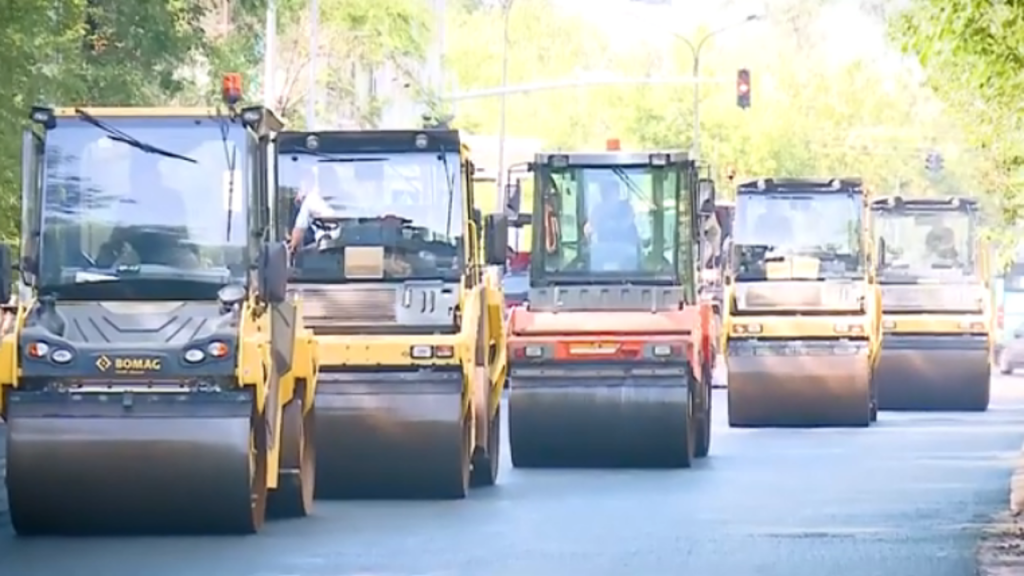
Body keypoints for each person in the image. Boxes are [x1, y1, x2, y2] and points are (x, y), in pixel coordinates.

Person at [96, 152, 199, 269]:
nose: (139, 179)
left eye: (146, 172)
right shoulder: (127, 204)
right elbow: (114, 244)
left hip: (171, 265)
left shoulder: (173, 200)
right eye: (135, 174)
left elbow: (182, 239)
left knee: (189, 260)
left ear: (156, 174)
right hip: (134, 266)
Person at [583, 178, 640, 271]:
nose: (605, 194)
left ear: (617, 193)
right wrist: (588, 229)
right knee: (591, 259)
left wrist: (610, 222)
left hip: (626, 249)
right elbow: (590, 227)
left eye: (609, 191)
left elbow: (626, 223)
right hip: (603, 249)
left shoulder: (626, 208)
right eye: (604, 191)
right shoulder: (598, 210)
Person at [289, 166, 336, 253]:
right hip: (320, 251)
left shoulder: (350, 199)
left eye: (330, 178)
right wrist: (293, 246)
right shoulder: (312, 200)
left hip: (349, 249)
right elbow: (299, 230)